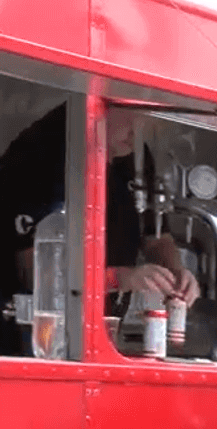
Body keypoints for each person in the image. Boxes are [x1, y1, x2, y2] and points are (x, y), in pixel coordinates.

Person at [0, 103, 199, 356]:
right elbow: (37, 273)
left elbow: (156, 236)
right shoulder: (40, 155)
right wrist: (119, 278)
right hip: (31, 335)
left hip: (103, 327)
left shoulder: (134, 154)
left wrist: (177, 275)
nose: (140, 131)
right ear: (98, 105)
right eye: (132, 118)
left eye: (145, 120)